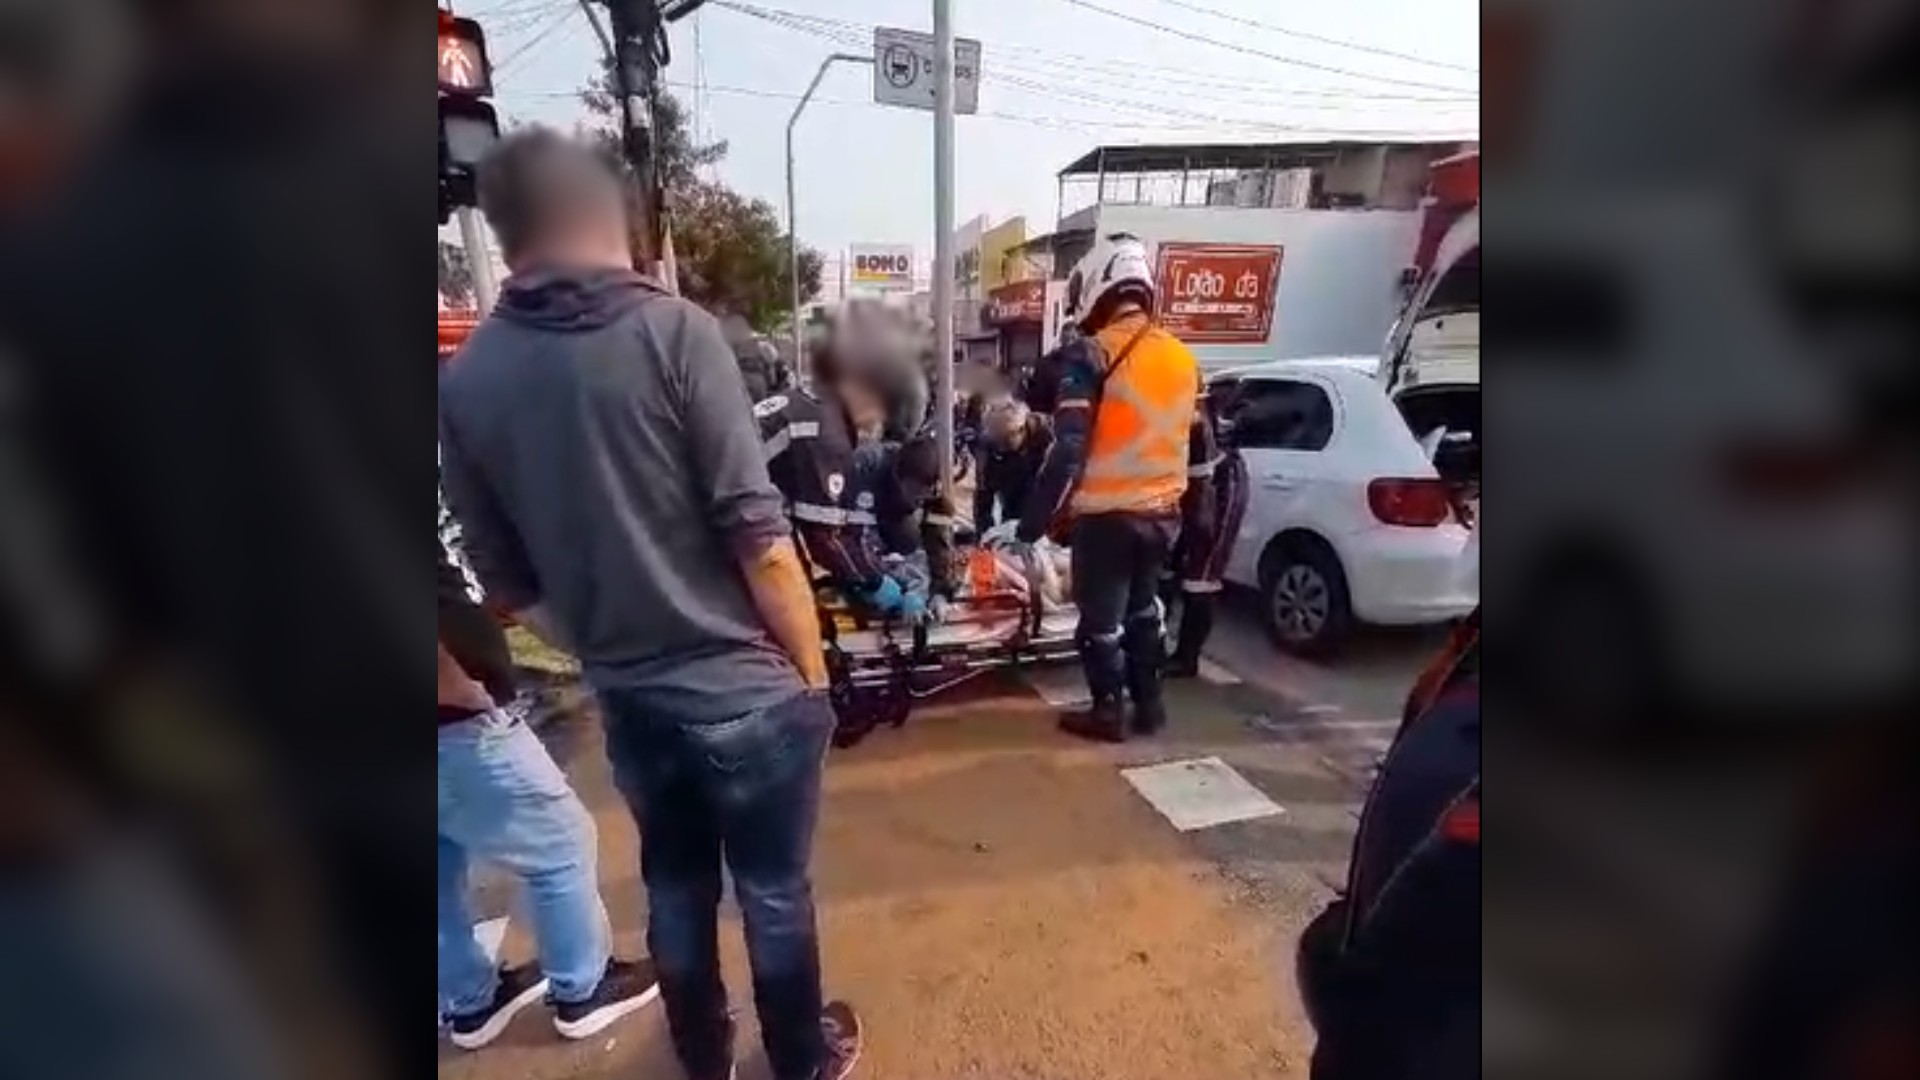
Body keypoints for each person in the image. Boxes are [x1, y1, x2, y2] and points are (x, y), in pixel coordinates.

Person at [438, 128, 861, 1080]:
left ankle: (701, 1061)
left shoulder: (468, 381)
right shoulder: (676, 333)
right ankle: (799, 1061)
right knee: (773, 895)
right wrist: (811, 674)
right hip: (747, 695)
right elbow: (762, 538)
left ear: (507, 237)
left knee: (673, 892)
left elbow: (502, 578)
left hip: (631, 699)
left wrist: (598, 649)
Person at [437, 474, 659, 1050]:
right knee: (560, 844)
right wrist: (456, 686)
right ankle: (584, 989)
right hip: (453, 720)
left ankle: (470, 1001)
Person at [1009, 233, 1200, 742]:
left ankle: (1108, 713)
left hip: (1108, 516)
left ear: (1100, 285)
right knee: (1145, 611)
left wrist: (1030, 527)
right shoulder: (1183, 358)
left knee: (1100, 623)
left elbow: (1067, 449)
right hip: (1164, 515)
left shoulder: (1090, 355)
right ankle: (1152, 707)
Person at [756, 307, 939, 625]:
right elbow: (826, 540)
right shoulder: (826, 434)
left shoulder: (815, 405)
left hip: (711, 494)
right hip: (705, 510)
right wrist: (880, 584)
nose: (878, 425)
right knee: (790, 609)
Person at [1164, 385, 1251, 678]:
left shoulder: (1192, 417)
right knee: (1171, 570)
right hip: (1194, 486)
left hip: (1217, 489)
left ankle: (1187, 659)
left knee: (1201, 575)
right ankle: (1164, 645)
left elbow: (1202, 482)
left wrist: (1195, 531)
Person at [973, 397, 1054, 532]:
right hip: (1008, 478)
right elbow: (983, 494)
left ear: (1021, 429)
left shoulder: (1045, 431)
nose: (1001, 445)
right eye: (998, 438)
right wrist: (984, 532)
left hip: (1037, 476)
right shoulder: (987, 446)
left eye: (1006, 439)